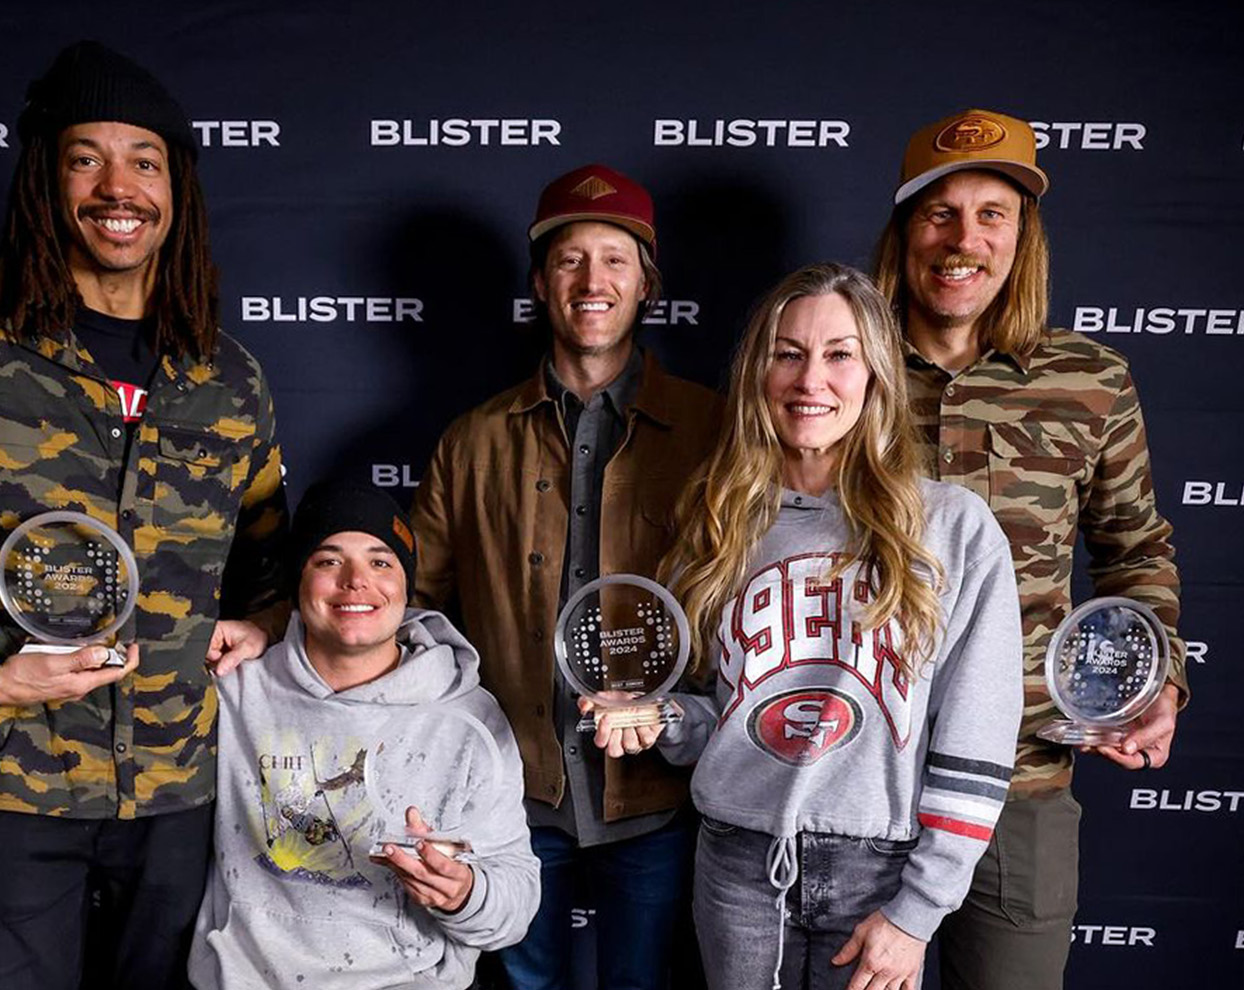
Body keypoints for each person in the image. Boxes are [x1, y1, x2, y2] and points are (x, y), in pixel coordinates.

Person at [0, 41, 287, 990]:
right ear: (46, 177)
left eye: (145, 162)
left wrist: (264, 623)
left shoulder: (226, 377)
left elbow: (270, 564)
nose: (119, 187)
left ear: (177, 190)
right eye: (87, 158)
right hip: (16, 780)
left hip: (179, 790)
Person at [869, 108, 1188, 990]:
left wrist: (1156, 678)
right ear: (903, 232)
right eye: (939, 213)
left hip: (1020, 778)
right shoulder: (839, 370)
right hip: (853, 776)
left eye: (991, 214)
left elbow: (1133, 550)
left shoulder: (1091, 380)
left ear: (1023, 235)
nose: (962, 239)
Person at [653, 263, 1023, 990]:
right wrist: (659, 718)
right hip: (735, 864)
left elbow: (977, 737)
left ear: (876, 375)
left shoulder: (949, 528)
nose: (809, 378)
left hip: (877, 869)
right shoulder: (721, 519)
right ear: (759, 373)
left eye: (839, 354)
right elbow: (717, 715)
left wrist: (918, 911)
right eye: (787, 353)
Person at [410, 163, 721, 989]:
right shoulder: (472, 441)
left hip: (661, 798)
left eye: (615, 259)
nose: (592, 281)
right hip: (512, 796)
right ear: (541, 284)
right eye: (570, 260)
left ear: (647, 283)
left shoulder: (716, 430)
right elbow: (418, 614)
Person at [189, 481, 538, 989]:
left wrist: (463, 894)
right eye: (328, 561)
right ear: (298, 583)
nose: (356, 581)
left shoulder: (467, 719)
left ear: (406, 584)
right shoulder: (236, 690)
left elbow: (515, 906)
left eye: (381, 562)